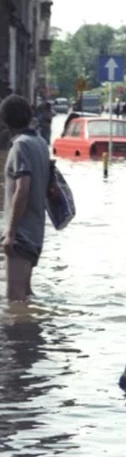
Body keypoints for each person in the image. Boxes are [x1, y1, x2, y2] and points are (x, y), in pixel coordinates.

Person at [1, 95, 51, 302]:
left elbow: (23, 188)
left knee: (14, 298)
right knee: (26, 296)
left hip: (21, 234)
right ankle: (32, 332)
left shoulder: (20, 146)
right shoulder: (40, 142)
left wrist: (10, 234)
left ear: (4, 120)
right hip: (36, 231)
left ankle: (19, 335)